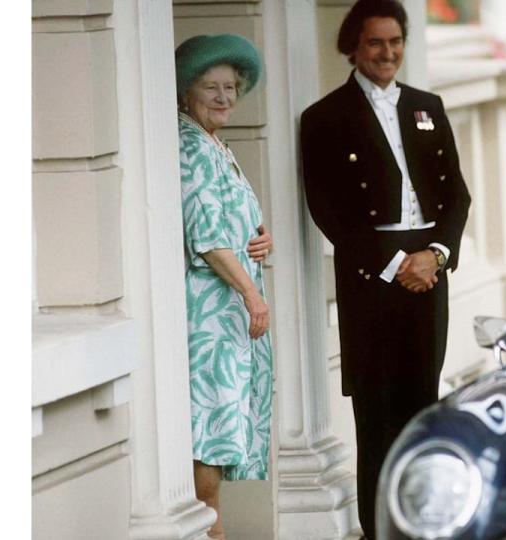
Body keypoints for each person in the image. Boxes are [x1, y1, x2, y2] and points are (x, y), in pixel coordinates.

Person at [299, 1, 471, 537]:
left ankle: (425, 525)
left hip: (428, 275)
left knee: (423, 406)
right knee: (376, 417)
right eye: (375, 43)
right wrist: (397, 265)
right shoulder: (324, 117)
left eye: (395, 42)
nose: (387, 53)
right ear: (353, 46)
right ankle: (378, 531)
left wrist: (436, 256)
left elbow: (456, 198)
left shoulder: (428, 106)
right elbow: (328, 211)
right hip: (371, 280)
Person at [175, 34, 273, 540]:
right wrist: (253, 296)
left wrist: (260, 238)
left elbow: (233, 227)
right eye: (210, 86)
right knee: (208, 439)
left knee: (221, 435)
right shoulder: (189, 144)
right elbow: (208, 237)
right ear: (186, 92)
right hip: (210, 317)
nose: (223, 96)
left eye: (230, 86)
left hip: (229, 317)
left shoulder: (216, 144)